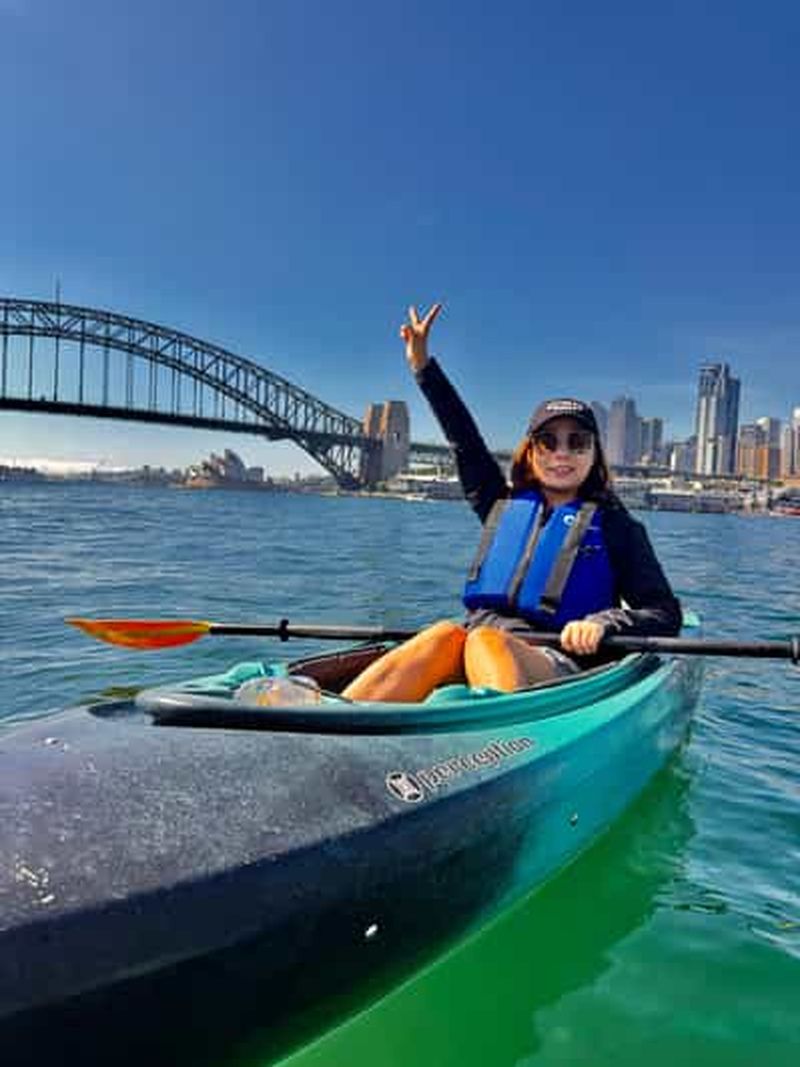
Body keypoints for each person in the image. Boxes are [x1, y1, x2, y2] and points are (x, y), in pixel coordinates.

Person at [342, 303, 681, 703]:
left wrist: (605, 623)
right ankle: (332, 723)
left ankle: (489, 747)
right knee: (444, 634)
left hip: (559, 662)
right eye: (548, 442)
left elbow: (664, 614)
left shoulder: (617, 528)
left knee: (486, 640)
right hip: (476, 647)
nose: (562, 454)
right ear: (531, 452)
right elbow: (463, 440)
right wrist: (423, 367)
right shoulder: (499, 505)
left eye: (578, 442)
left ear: (594, 455)